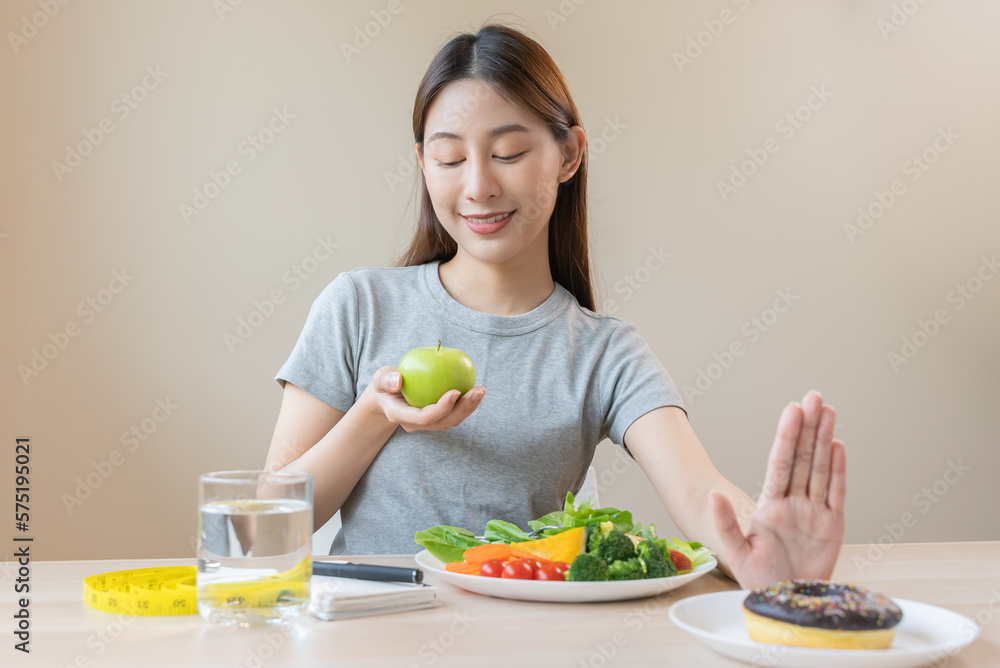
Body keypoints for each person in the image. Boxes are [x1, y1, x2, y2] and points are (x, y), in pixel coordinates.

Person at [263, 22, 846, 590]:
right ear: (423, 164)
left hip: (536, 645)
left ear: (569, 154)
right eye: (449, 159)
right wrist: (375, 414)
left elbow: (697, 490)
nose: (479, 185)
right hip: (374, 639)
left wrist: (761, 551)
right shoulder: (359, 306)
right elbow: (268, 524)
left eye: (509, 153)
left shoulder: (604, 351)